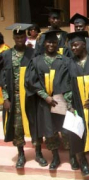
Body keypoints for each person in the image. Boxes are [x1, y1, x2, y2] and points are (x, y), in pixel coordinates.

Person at [25, 30, 79, 171]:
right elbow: (31, 81)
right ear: (43, 43)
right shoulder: (36, 61)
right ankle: (55, 157)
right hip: (45, 103)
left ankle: (72, 157)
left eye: (54, 42)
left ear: (57, 44)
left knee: (67, 130)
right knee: (50, 131)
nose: (51, 44)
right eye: (48, 42)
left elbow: (70, 81)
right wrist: (45, 96)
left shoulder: (65, 60)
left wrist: (67, 100)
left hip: (62, 101)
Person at [55, 31, 89, 177]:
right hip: (76, 106)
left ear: (84, 45)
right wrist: (70, 104)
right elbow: (64, 84)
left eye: (76, 44)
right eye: (71, 45)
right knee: (77, 133)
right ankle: (82, 161)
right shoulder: (68, 63)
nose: (73, 48)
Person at [1, 23, 47, 169]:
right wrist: (5, 98)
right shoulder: (6, 55)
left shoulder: (33, 53)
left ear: (25, 37)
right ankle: (21, 154)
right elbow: (1, 77)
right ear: (13, 37)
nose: (19, 38)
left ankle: (39, 153)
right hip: (15, 98)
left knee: (35, 124)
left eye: (22, 36)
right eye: (17, 36)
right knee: (17, 127)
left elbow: (39, 74)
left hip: (31, 97)